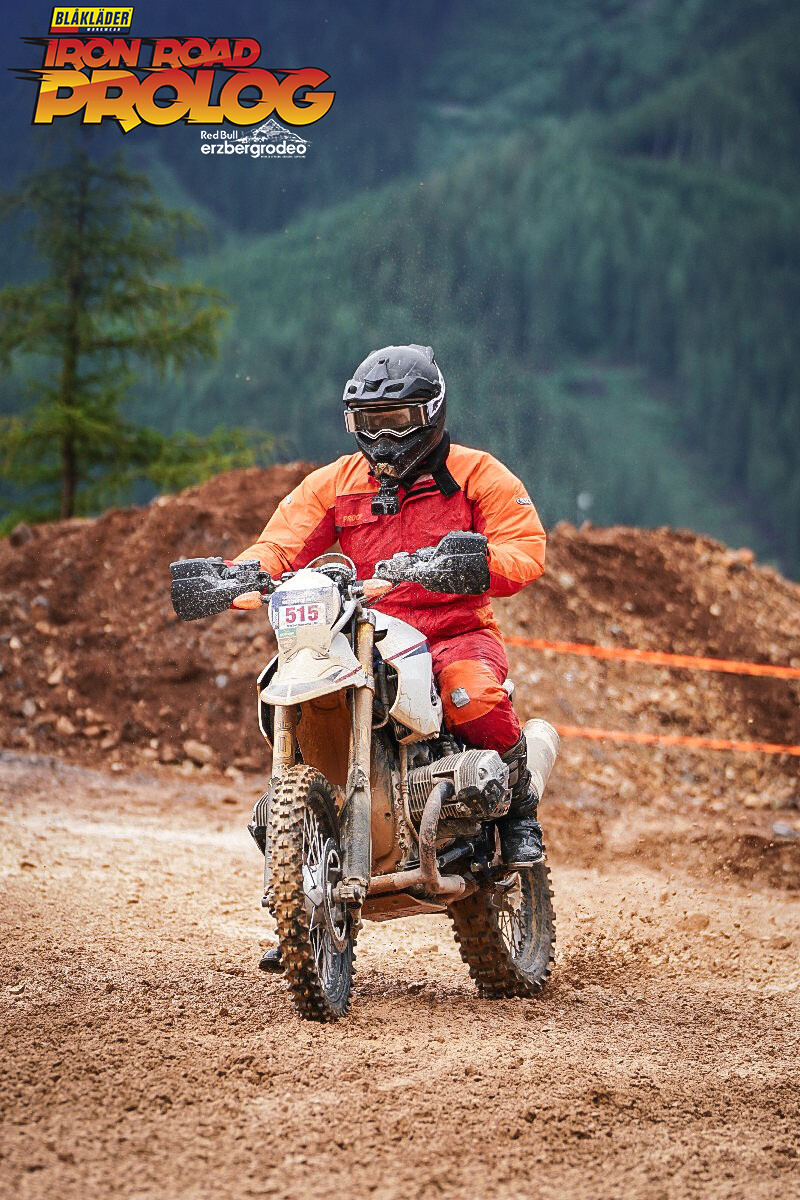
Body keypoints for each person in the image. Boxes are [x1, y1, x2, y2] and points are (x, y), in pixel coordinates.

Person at [236, 345, 548, 974]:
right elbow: (281, 543)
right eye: (367, 422)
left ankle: (519, 812)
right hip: (364, 633)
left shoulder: (478, 474)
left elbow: (526, 550)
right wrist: (239, 575)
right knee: (301, 705)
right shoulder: (336, 482)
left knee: (471, 695)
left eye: (396, 420)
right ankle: (301, 904)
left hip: (455, 631)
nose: (381, 437)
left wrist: (473, 562)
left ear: (430, 414)